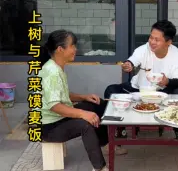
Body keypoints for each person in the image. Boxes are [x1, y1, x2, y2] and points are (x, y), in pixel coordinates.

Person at [37, 30, 127, 171]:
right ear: (60, 49)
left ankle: (104, 144)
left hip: (59, 118)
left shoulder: (56, 67)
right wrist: (82, 114)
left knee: (98, 104)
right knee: (85, 124)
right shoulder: (52, 72)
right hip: (49, 127)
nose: (75, 49)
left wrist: (84, 97)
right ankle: (99, 167)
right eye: (72, 46)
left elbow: (62, 95)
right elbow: (55, 106)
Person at [104, 20, 178, 152]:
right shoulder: (144, 49)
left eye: (157, 39)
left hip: (162, 92)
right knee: (111, 90)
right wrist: (128, 65)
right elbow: (132, 60)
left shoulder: (177, 56)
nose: (152, 42)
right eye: (151, 37)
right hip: (138, 90)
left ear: (169, 42)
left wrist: (167, 82)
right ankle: (120, 131)